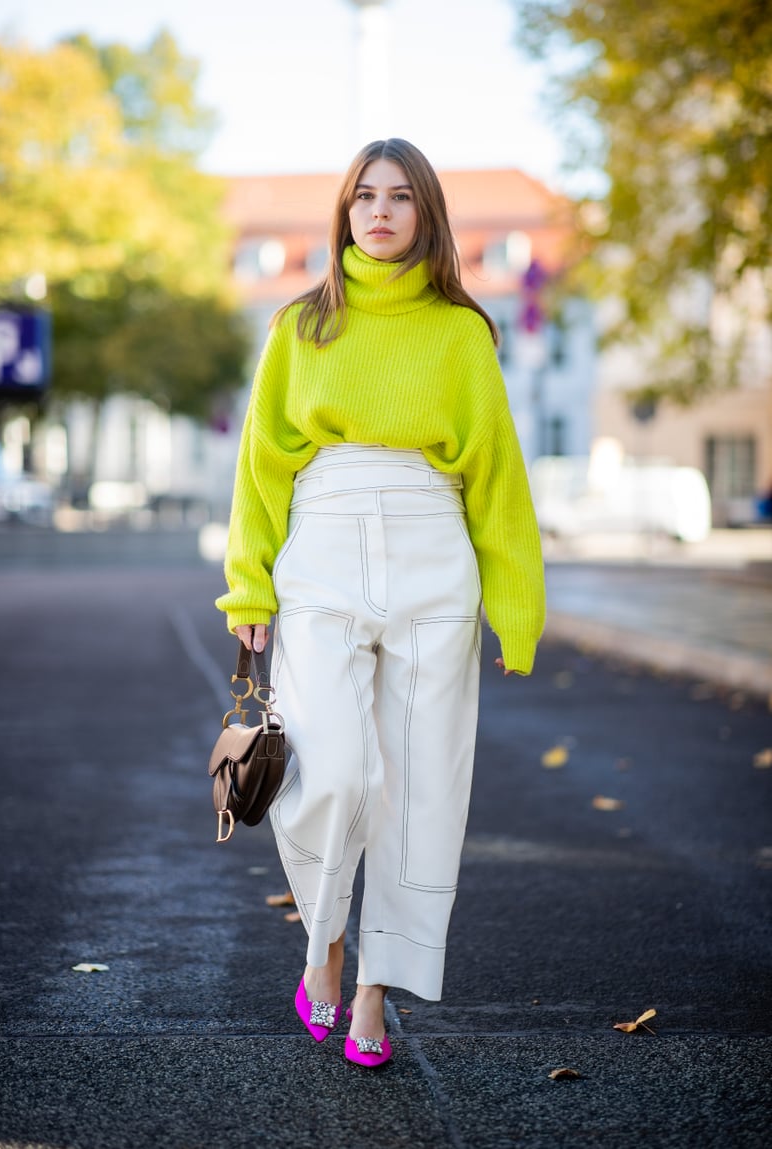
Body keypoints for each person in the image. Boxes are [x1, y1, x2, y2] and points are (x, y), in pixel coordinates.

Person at [216, 138, 545, 1068]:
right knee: (336, 772)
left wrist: (516, 604)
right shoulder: (301, 326)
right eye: (364, 196)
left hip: (436, 554)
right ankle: (322, 942)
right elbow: (259, 466)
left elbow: (497, 477)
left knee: (421, 789)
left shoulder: (460, 333)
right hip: (321, 549)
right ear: (344, 213)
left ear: (426, 214)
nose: (381, 212)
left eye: (401, 197)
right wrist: (250, 580)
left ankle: (373, 990)